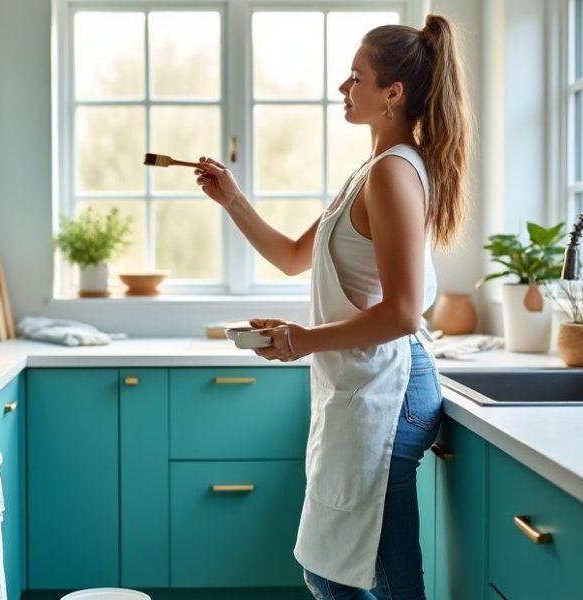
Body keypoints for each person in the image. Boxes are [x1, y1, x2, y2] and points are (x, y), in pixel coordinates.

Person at [192, 14, 470, 600]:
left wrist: (302, 340)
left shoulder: (394, 174)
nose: (343, 89)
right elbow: (294, 256)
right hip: (364, 386)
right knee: (336, 570)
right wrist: (231, 198)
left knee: (358, 576)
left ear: (392, 94)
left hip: (388, 393)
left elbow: (402, 313)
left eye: (356, 78)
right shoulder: (371, 172)